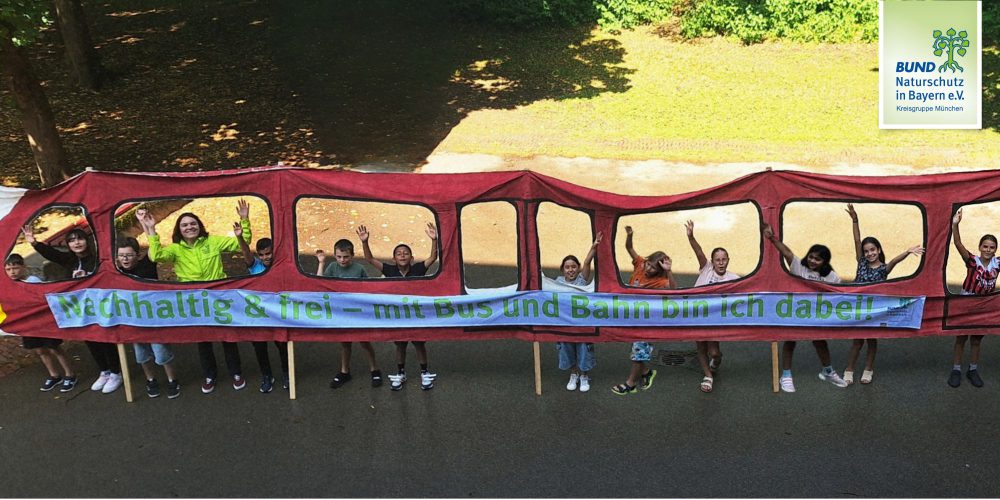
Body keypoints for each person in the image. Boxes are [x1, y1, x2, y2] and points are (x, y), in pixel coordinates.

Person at [138, 200, 253, 394]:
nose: (189, 227)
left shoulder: (213, 242)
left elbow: (244, 242)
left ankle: (236, 373)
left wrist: (244, 220)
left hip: (218, 299)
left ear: (200, 226)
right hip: (194, 302)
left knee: (228, 337)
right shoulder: (175, 249)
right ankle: (209, 375)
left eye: (193, 223)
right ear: (179, 230)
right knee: (203, 340)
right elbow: (156, 256)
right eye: (184, 225)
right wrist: (150, 230)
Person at [21, 224, 123, 394]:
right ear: (68, 245)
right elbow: (52, 254)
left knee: (105, 339)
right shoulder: (70, 260)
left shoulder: (98, 259)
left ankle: (115, 373)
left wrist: (88, 277)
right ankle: (104, 371)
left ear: (86, 241)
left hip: (100, 306)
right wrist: (34, 242)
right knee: (90, 339)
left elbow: (106, 277)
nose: (77, 243)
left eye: (80, 239)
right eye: (72, 240)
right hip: (80, 309)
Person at [842, 204, 924, 386]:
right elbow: (857, 240)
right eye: (866, 251)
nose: (869, 253)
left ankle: (868, 369)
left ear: (879, 250)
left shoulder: (883, 269)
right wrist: (855, 220)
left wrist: (908, 252)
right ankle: (849, 369)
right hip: (859, 307)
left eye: (873, 250)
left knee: (871, 341)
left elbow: (894, 260)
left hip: (875, 310)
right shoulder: (861, 263)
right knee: (857, 341)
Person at [762, 223, 847, 392]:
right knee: (790, 341)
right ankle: (786, 375)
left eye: (817, 259)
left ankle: (828, 371)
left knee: (820, 342)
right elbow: (786, 252)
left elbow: (839, 296)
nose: (812, 261)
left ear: (824, 262)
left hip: (816, 315)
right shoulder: (798, 266)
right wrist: (771, 238)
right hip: (795, 312)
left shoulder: (832, 277)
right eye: (811, 257)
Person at [359, 222, 438, 391]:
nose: (402, 255)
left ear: (412, 258)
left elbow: (432, 258)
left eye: (406, 253)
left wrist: (434, 240)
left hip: (416, 315)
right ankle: (401, 373)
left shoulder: (418, 269)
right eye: (399, 253)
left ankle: (424, 373)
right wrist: (365, 242)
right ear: (394, 259)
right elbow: (370, 259)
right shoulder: (389, 270)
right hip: (397, 315)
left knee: (419, 344)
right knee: (400, 345)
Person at [116, 235, 180, 398]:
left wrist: (149, 229)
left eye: (129, 255)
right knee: (141, 355)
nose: (125, 259)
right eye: (121, 255)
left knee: (161, 352)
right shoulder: (116, 273)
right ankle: (150, 379)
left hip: (153, 320)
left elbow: (154, 250)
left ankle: (172, 380)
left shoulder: (147, 265)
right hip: (133, 321)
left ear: (137, 255)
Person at [612, 225, 674, 396]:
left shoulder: (661, 281)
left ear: (659, 271)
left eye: (653, 268)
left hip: (648, 320)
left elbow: (673, 290)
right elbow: (629, 248)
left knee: (639, 350)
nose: (648, 269)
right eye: (648, 264)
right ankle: (646, 372)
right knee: (638, 348)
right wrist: (630, 235)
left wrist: (669, 271)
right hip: (632, 316)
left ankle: (630, 383)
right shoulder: (640, 264)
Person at [5, 254, 77, 392]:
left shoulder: (33, 281)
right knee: (40, 350)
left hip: (42, 322)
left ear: (23, 267)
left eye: (15, 268)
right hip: (27, 324)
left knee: (54, 348)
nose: (12, 272)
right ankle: (54, 375)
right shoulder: (9, 286)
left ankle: (70, 374)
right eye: (8, 269)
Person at [316, 238, 382, 389]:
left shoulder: (359, 269)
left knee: (364, 342)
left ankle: (374, 369)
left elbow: (368, 288)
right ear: (334, 255)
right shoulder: (332, 267)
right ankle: (344, 371)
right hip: (341, 312)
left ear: (352, 255)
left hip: (357, 311)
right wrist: (321, 263)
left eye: (346, 257)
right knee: (345, 342)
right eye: (339, 256)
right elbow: (319, 284)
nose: (342, 260)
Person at [685, 220, 741, 393]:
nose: (721, 263)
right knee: (701, 347)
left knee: (714, 352)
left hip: (715, 319)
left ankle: (716, 361)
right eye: (718, 260)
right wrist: (691, 236)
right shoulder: (706, 268)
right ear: (712, 262)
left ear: (728, 260)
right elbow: (698, 251)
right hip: (698, 315)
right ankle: (708, 375)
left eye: (724, 259)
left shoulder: (734, 278)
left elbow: (747, 296)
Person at [948, 208, 998, 388]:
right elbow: (958, 243)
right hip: (967, 303)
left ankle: (973, 369)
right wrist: (955, 224)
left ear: (995, 250)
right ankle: (956, 369)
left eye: (992, 247)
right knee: (961, 338)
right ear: (980, 247)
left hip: (984, 306)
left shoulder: (997, 263)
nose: (988, 250)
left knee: (976, 339)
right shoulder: (972, 261)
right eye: (985, 246)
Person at [235, 231, 289, 393]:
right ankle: (267, 376)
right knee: (259, 347)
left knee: (282, 345)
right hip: (258, 315)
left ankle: (287, 374)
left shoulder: (281, 266)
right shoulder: (255, 266)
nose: (266, 257)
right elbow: (246, 254)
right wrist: (240, 237)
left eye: (268, 253)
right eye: (262, 254)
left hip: (278, 314)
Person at [552, 232, 601, 392]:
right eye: (567, 267)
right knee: (566, 348)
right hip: (565, 323)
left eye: (573, 266)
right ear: (562, 270)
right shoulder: (557, 282)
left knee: (583, 349)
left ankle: (584, 376)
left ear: (578, 268)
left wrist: (594, 246)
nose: (570, 270)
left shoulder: (581, 280)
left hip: (582, 323)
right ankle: (574, 374)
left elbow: (587, 262)